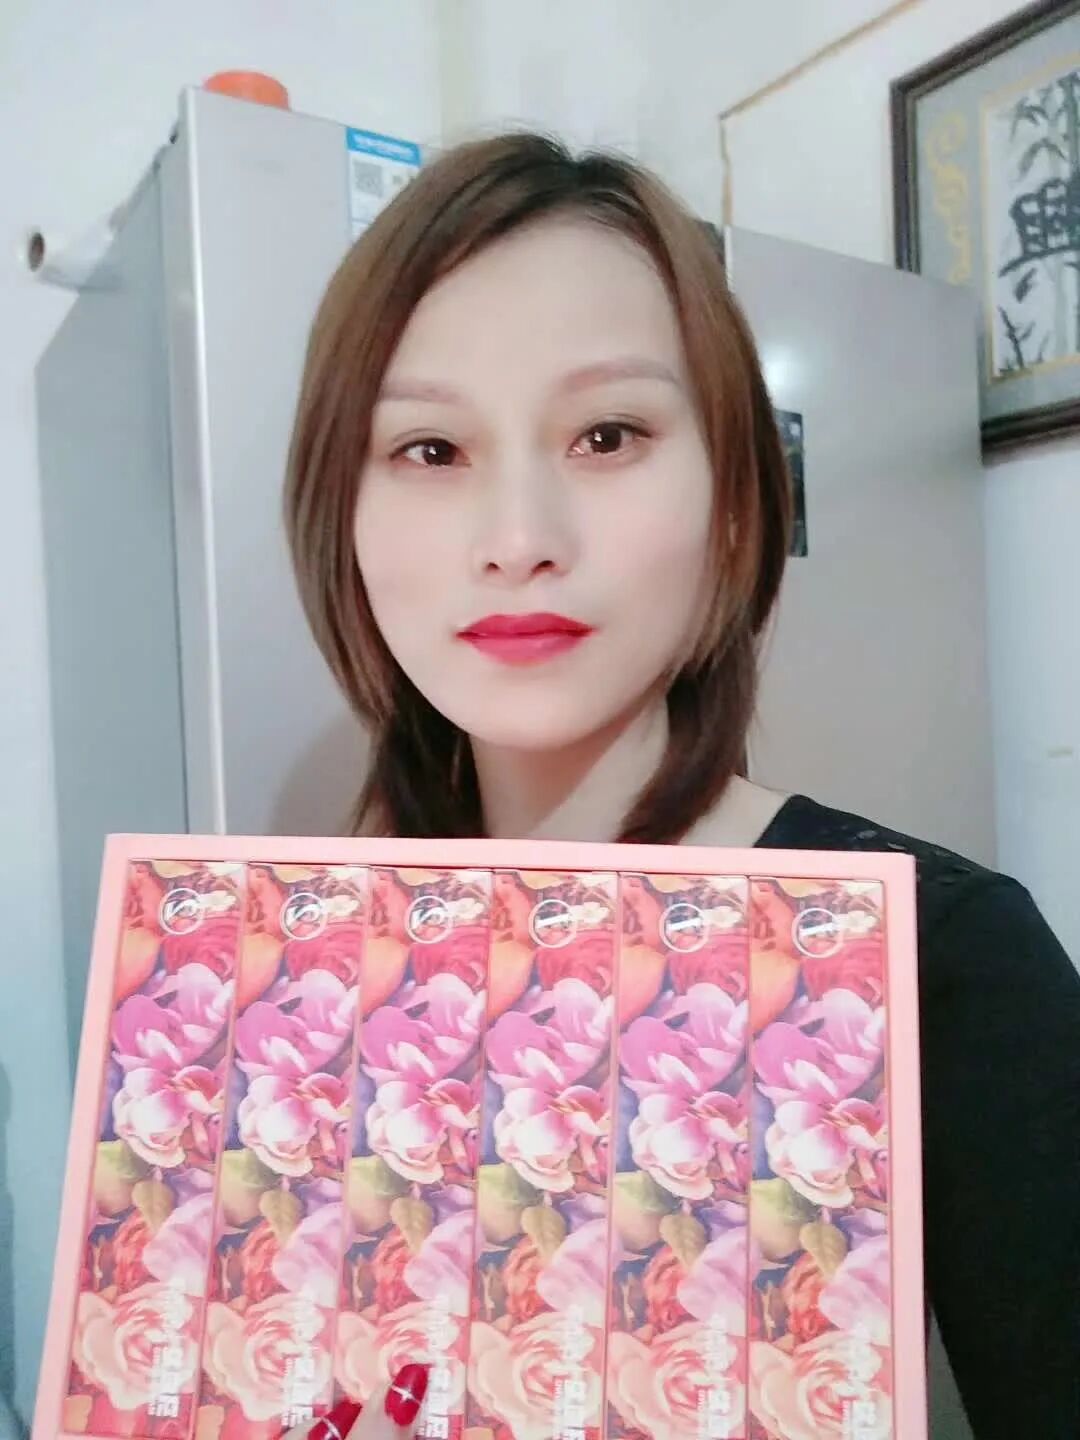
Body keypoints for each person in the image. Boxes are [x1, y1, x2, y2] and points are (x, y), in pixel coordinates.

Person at [283, 132, 1080, 1438]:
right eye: (429, 449)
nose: (520, 540)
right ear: (341, 518)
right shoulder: (266, 981)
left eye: (608, 434)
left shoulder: (947, 964)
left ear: (734, 502)